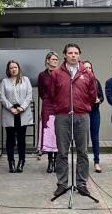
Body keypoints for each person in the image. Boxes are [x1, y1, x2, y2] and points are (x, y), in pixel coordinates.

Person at [50, 43, 97, 197]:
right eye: (70, 53)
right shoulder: (57, 73)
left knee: (82, 152)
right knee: (62, 152)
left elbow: (92, 94)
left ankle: (82, 184)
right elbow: (51, 94)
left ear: (79, 55)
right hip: (63, 116)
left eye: (76, 52)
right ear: (65, 55)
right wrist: (59, 107)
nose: (73, 55)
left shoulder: (87, 73)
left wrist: (82, 106)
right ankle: (62, 184)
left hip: (82, 116)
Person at [0, 60, 34, 173]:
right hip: (9, 112)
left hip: (22, 112)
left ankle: (21, 161)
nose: (13, 69)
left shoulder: (26, 80)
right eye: (11, 68)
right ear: (8, 70)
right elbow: (2, 97)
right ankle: (11, 162)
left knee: (21, 139)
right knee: (10, 139)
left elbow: (29, 95)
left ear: (19, 68)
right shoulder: (5, 81)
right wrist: (11, 108)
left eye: (15, 67)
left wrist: (22, 108)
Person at [38, 51, 60, 173]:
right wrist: (47, 100)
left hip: (59, 105)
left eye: (57, 59)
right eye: (53, 59)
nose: (55, 61)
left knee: (57, 133)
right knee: (48, 133)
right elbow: (41, 92)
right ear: (47, 61)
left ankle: (56, 161)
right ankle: (50, 161)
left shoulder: (61, 73)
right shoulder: (42, 75)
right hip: (47, 105)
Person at [83, 61, 104, 173]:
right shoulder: (79, 82)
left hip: (95, 112)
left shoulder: (96, 82)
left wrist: (99, 100)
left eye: (89, 67)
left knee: (95, 137)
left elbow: (101, 97)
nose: (87, 69)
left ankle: (96, 162)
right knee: (83, 138)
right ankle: (84, 162)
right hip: (83, 113)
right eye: (85, 67)